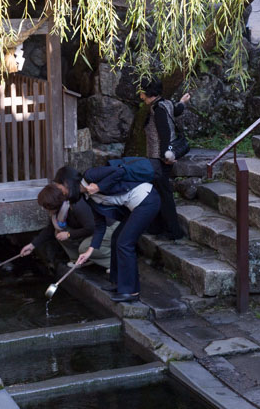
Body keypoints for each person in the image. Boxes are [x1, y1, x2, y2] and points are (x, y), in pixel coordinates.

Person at [75, 165, 161, 302]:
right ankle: (118, 283)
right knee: (116, 238)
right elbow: (100, 225)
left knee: (125, 243)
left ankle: (131, 292)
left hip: (146, 200)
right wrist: (89, 252)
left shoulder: (91, 176)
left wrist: (99, 187)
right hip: (133, 207)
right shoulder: (87, 197)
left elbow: (120, 170)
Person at [21, 166, 115, 269]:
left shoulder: (76, 205)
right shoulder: (59, 212)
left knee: (84, 247)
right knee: (58, 232)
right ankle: (80, 259)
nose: (47, 211)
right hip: (92, 229)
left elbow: (91, 227)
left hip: (108, 227)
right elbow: (50, 229)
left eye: (47, 208)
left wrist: (69, 234)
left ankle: (114, 263)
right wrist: (32, 245)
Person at [140, 78, 189, 240]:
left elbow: (165, 134)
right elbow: (177, 109)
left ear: (147, 93)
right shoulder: (165, 103)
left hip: (159, 159)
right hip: (159, 158)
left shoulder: (158, 109)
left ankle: (173, 231)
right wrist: (182, 102)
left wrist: (165, 156)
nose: (140, 94)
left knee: (164, 194)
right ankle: (157, 226)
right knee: (158, 192)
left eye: (141, 91)